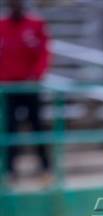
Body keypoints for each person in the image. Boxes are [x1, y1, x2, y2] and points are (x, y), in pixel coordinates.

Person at [0, 0, 50, 182]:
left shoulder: (35, 25)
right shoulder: (2, 26)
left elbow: (44, 52)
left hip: (30, 87)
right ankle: (9, 171)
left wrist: (36, 76)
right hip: (7, 90)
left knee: (37, 127)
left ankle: (46, 168)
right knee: (9, 129)